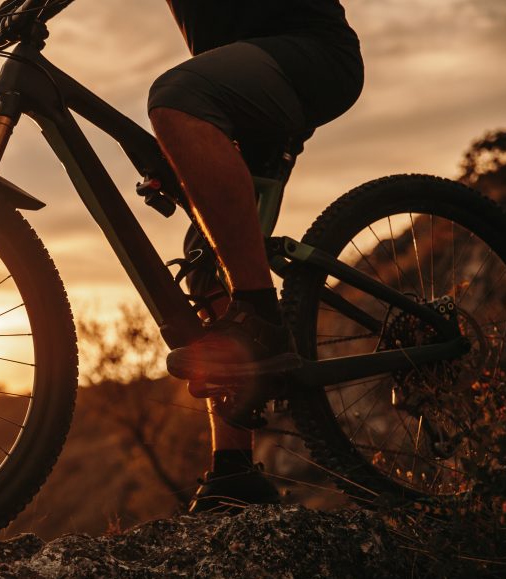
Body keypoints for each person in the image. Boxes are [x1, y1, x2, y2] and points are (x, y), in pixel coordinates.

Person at [147, 0, 364, 513]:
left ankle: (259, 314)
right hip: (241, 84)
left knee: (176, 97)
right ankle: (235, 471)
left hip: (310, 56)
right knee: (205, 257)